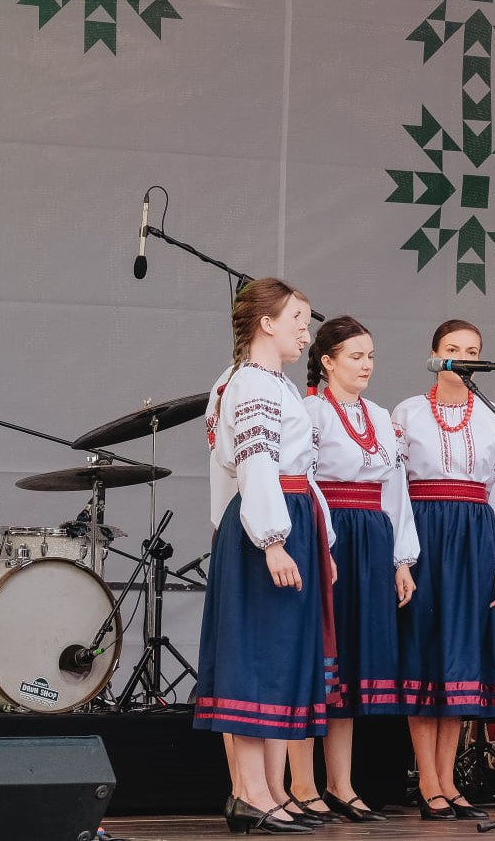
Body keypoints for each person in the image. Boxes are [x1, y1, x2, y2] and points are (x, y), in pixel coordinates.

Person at [194, 278, 332, 835]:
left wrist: (320, 544)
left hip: (283, 521)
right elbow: (256, 467)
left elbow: (294, 472)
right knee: (256, 659)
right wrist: (272, 541)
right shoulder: (253, 385)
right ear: (266, 323)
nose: (306, 328)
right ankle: (251, 794)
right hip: (266, 529)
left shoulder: (272, 384)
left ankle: (263, 793)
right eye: (298, 317)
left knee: (273, 658)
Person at [282, 316, 416, 825]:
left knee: (352, 667)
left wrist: (402, 560)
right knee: (321, 659)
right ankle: (302, 782)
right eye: (356, 356)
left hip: (373, 535)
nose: (366, 365)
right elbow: (305, 479)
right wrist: (322, 543)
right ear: (329, 361)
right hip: (330, 530)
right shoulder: (310, 411)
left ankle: (341, 783)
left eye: (371, 356)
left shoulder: (381, 416)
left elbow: (396, 491)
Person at [392, 320, 495, 822]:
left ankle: (449, 779)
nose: (462, 358)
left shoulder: (492, 417)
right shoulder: (407, 412)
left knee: (461, 658)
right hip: (426, 530)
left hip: (474, 534)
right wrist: (402, 556)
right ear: (434, 355)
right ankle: (426, 779)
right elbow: (395, 488)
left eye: (472, 351)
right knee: (427, 656)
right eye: (453, 349)